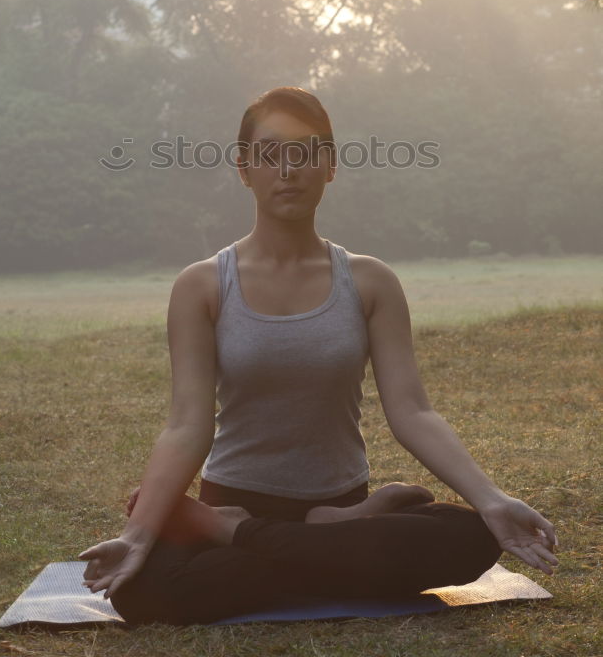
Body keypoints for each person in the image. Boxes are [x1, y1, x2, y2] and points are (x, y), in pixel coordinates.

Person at [79, 86, 558, 626]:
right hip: (235, 496)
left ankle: (242, 534)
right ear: (243, 168)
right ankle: (303, 537)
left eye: (306, 152)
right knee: (142, 591)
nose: (289, 168)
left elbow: (413, 413)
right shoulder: (203, 285)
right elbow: (187, 426)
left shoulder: (370, 281)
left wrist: (490, 500)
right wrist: (138, 534)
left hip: (336, 505)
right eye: (269, 153)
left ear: (329, 166)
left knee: (472, 537)